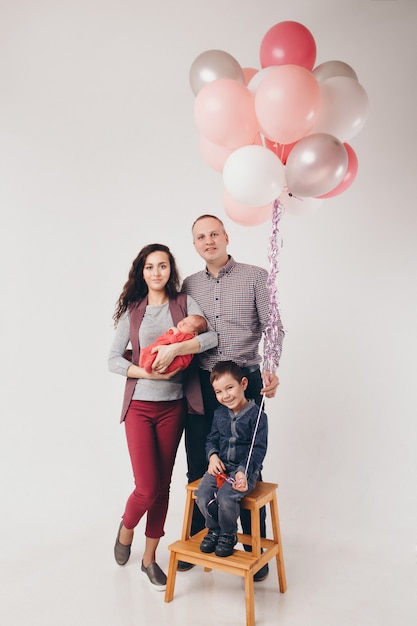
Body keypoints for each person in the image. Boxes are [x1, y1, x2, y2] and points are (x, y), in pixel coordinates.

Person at [150, 215, 285, 581]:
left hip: (244, 380)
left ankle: (254, 547)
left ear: (226, 236)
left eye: (214, 234)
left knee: (245, 467)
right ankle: (201, 537)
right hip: (201, 382)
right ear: (194, 245)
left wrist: (270, 368)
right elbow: (178, 331)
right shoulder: (189, 285)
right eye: (200, 237)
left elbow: (274, 326)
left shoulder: (256, 276)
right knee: (199, 463)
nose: (208, 241)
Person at [108, 243, 217, 591]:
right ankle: (126, 529)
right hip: (140, 407)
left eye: (163, 266)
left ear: (171, 270)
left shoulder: (183, 304)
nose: (157, 273)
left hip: (174, 408)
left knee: (163, 488)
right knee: (146, 487)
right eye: (150, 267)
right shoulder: (134, 311)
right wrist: (149, 375)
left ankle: (149, 558)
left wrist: (177, 347)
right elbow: (112, 360)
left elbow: (211, 336)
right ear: (142, 272)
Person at [195, 361, 268, 558]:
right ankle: (215, 529)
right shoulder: (219, 414)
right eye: (219, 392)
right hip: (221, 468)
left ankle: (228, 534)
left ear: (243, 384)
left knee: (227, 497)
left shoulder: (257, 415)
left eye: (229, 388)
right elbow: (212, 439)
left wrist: (243, 470)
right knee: (202, 494)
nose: (225, 395)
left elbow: (258, 449)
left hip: (244, 470)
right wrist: (212, 457)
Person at [139, 314, 207, 373]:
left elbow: (174, 340)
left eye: (186, 324)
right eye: (183, 320)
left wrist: (174, 331)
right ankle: (149, 364)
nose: (182, 323)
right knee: (149, 350)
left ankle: (151, 365)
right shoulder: (183, 334)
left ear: (194, 333)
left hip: (179, 359)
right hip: (170, 352)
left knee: (166, 360)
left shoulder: (189, 337)